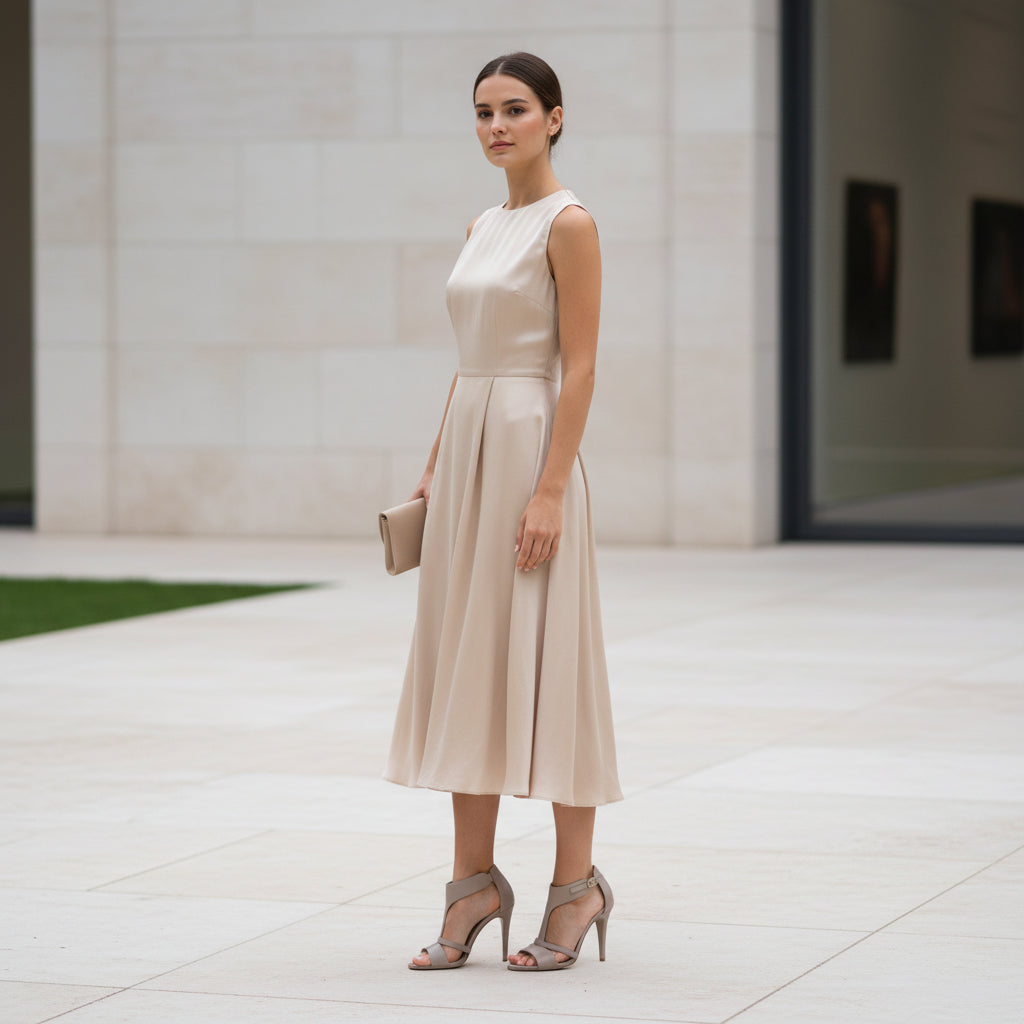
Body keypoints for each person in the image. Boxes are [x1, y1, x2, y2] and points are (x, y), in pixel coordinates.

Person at [384, 51, 622, 973]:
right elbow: (466, 358)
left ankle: (576, 888)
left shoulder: (571, 223)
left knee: (551, 669)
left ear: (555, 119)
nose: (497, 125)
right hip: (472, 459)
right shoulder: (483, 221)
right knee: (468, 670)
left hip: (530, 451)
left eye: (516, 109)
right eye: (483, 110)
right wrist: (435, 469)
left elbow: (584, 364)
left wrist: (553, 488)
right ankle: (473, 881)